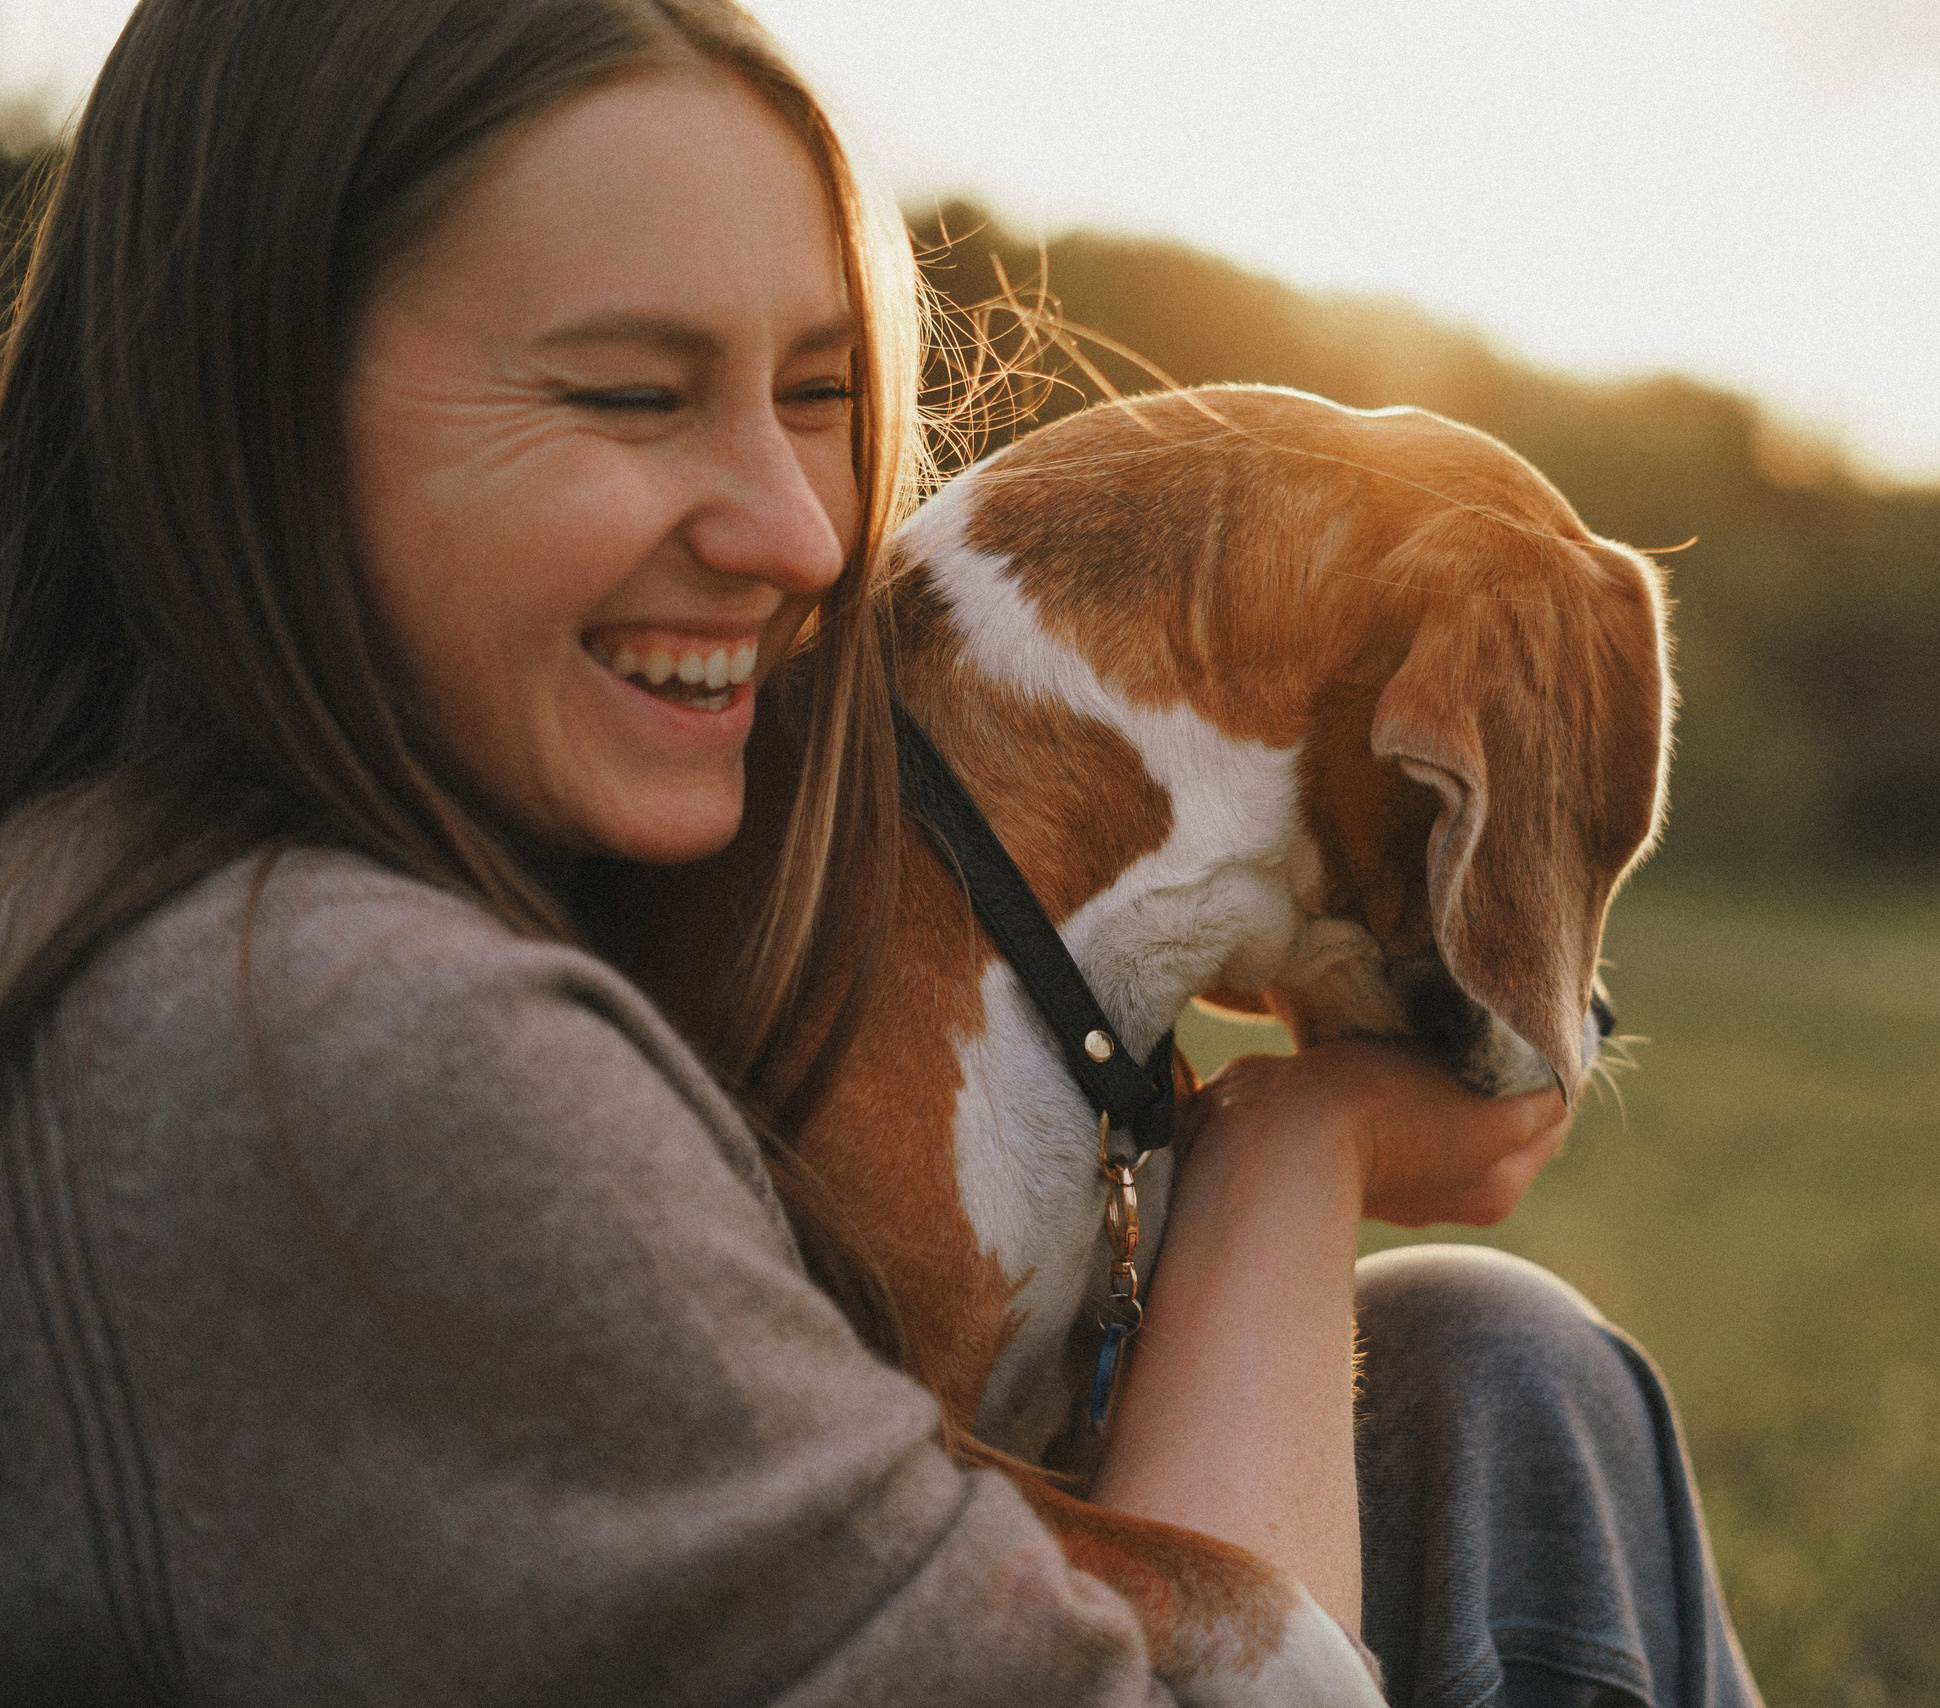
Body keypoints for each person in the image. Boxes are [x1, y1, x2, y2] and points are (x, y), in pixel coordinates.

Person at [0, 1, 1765, 1703]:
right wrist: (1295, 1156)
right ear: (242, 404)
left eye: (822, 390)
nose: (800, 535)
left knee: (1497, 1372)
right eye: (629, 393)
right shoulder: (343, 1042)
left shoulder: (275, 901)